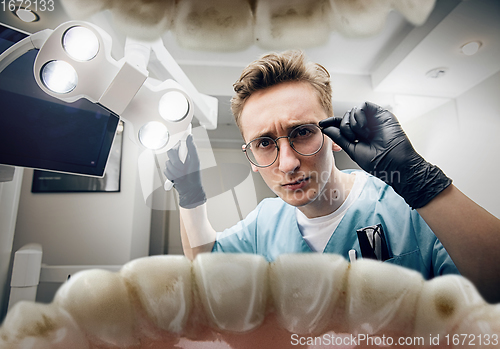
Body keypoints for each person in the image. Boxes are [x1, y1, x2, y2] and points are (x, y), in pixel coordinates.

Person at [165, 50, 500, 303]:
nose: (287, 163)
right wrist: (190, 195)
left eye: (302, 132)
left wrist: (421, 182)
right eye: (264, 143)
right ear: (252, 157)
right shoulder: (264, 224)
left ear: (334, 136)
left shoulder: (408, 207)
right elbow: (206, 266)